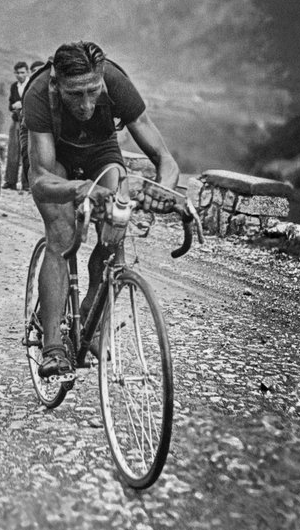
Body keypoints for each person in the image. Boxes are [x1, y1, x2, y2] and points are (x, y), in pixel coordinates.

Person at [24, 41, 179, 379]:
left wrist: (161, 188)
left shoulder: (116, 81)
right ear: (56, 81)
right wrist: (80, 190)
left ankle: (89, 324)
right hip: (54, 160)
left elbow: (164, 159)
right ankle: (52, 347)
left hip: (100, 152)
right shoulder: (38, 92)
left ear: (101, 79)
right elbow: (40, 179)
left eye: (93, 92)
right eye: (75, 94)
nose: (87, 105)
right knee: (63, 235)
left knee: (114, 237)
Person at [3, 61, 31, 190]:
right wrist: (14, 105)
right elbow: (10, 105)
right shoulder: (14, 86)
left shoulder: (31, 85)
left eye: (22, 72)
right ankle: (10, 181)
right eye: (18, 73)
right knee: (13, 151)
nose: (20, 75)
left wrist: (23, 104)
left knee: (27, 152)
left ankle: (26, 184)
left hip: (28, 123)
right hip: (15, 122)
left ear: (27, 72)